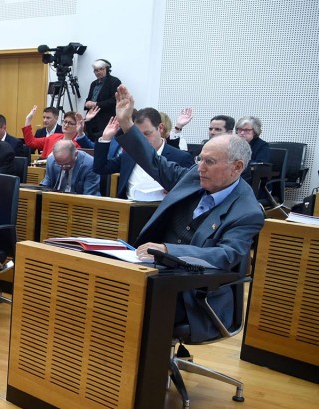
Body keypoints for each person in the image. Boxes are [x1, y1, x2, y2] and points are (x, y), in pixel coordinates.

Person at [111, 85, 264, 342]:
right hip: (153, 275)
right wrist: (126, 123)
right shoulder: (195, 176)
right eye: (200, 159)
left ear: (237, 167)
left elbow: (225, 255)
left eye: (210, 162)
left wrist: (169, 251)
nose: (200, 168)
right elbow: (154, 162)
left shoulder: (247, 211)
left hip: (194, 295)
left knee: (126, 309)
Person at [94, 106, 194, 200]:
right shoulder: (130, 154)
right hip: (128, 210)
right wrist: (106, 138)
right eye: (138, 135)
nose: (142, 140)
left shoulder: (181, 157)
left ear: (160, 128)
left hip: (161, 213)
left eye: (147, 134)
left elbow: (190, 190)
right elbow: (100, 168)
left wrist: (176, 191)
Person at [22, 106, 93, 158]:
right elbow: (30, 142)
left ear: (77, 126)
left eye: (70, 123)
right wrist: (28, 120)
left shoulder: (79, 144)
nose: (66, 125)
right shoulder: (53, 137)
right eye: (65, 122)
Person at [83, 59, 121, 140]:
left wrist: (96, 104)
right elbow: (89, 98)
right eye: (96, 70)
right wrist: (87, 104)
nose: (98, 72)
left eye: (101, 69)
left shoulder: (114, 81)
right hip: (91, 119)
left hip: (105, 120)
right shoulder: (93, 83)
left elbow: (114, 100)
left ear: (107, 69)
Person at [235, 116, 270, 180]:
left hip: (254, 179)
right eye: (239, 129)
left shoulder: (262, 145)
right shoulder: (233, 143)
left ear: (255, 131)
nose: (242, 133)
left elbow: (260, 164)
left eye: (246, 130)